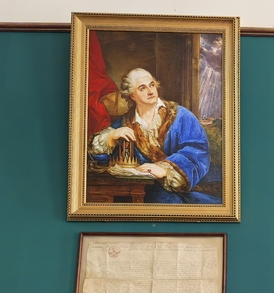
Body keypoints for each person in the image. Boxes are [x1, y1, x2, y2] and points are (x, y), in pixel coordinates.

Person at [89, 68, 220, 204]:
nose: (150, 91)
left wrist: (165, 169)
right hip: (143, 191)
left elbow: (198, 152)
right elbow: (100, 159)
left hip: (182, 190)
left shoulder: (181, 115)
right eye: (142, 88)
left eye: (151, 85)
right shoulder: (125, 123)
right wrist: (110, 137)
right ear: (132, 95)